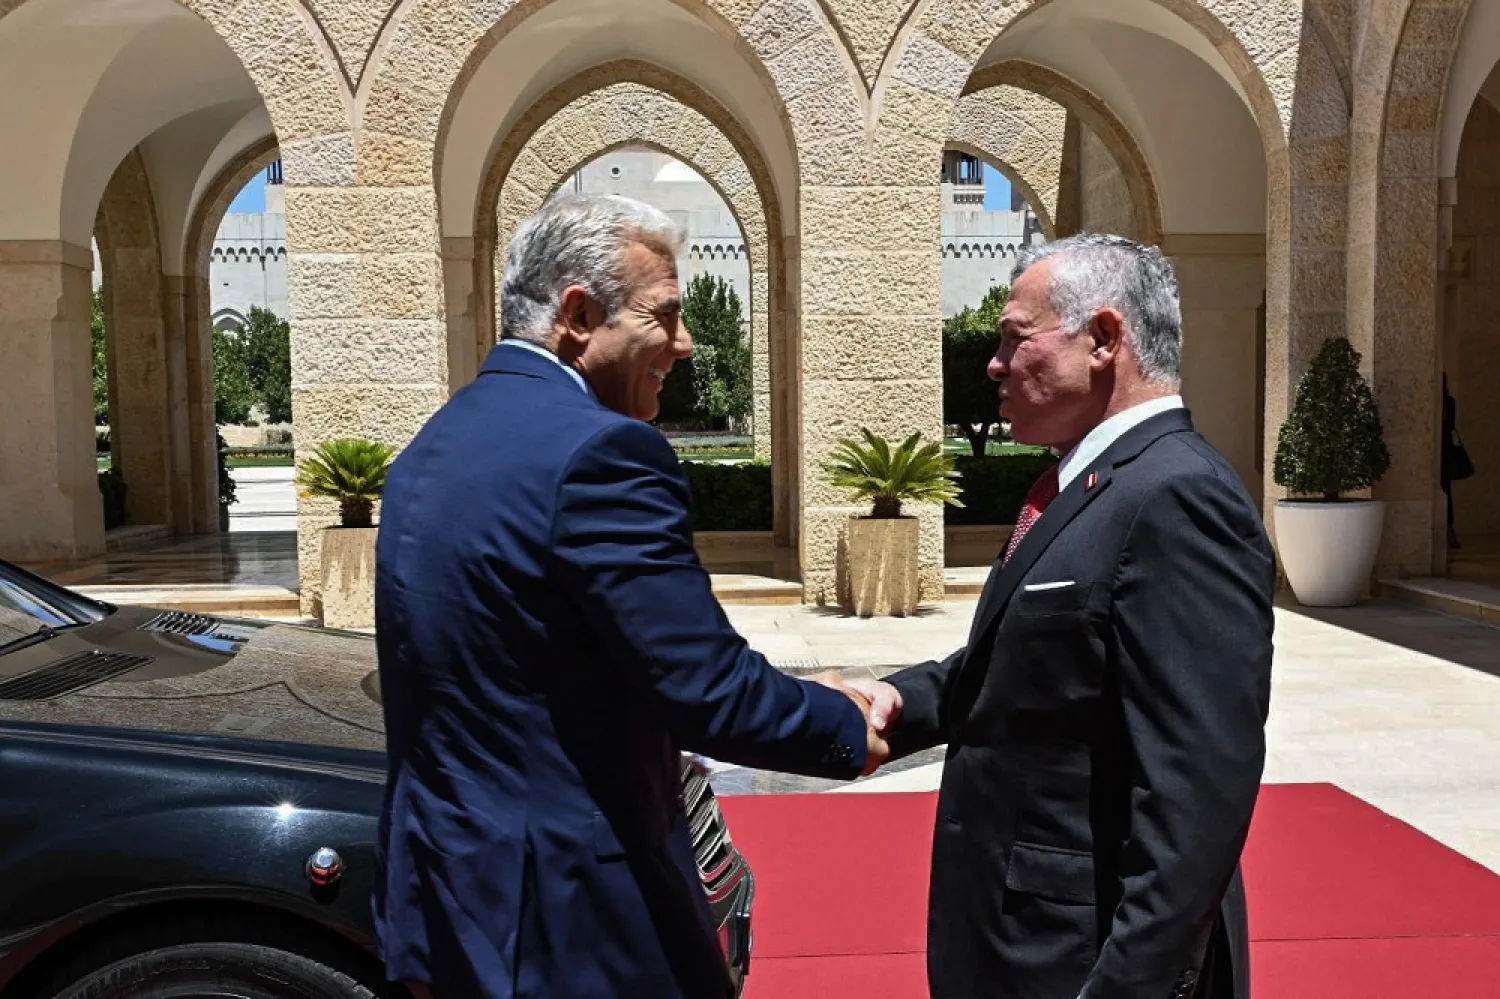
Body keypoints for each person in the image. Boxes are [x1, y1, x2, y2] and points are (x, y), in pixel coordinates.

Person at [371, 193, 885, 999]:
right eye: (666, 314)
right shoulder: (602, 453)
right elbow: (705, 687)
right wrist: (843, 724)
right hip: (574, 923)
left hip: (450, 895)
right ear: (578, 314)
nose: (685, 343)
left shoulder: (435, 443)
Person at [838, 234, 1276, 999]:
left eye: (1015, 337)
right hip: (1021, 943)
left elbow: (1197, 794)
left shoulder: (1177, 496)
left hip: (1083, 959)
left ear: (1105, 338)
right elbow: (1039, 660)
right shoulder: (1088, 484)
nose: (994, 363)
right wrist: (906, 697)